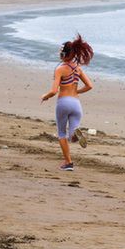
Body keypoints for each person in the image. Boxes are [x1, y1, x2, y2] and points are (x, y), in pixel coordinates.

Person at [41, 34, 94, 171]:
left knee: (61, 134)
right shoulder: (78, 68)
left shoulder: (60, 69)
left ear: (63, 54)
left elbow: (54, 91)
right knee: (72, 132)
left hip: (63, 102)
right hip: (76, 103)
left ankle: (68, 162)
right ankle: (75, 134)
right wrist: (77, 92)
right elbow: (89, 86)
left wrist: (45, 96)